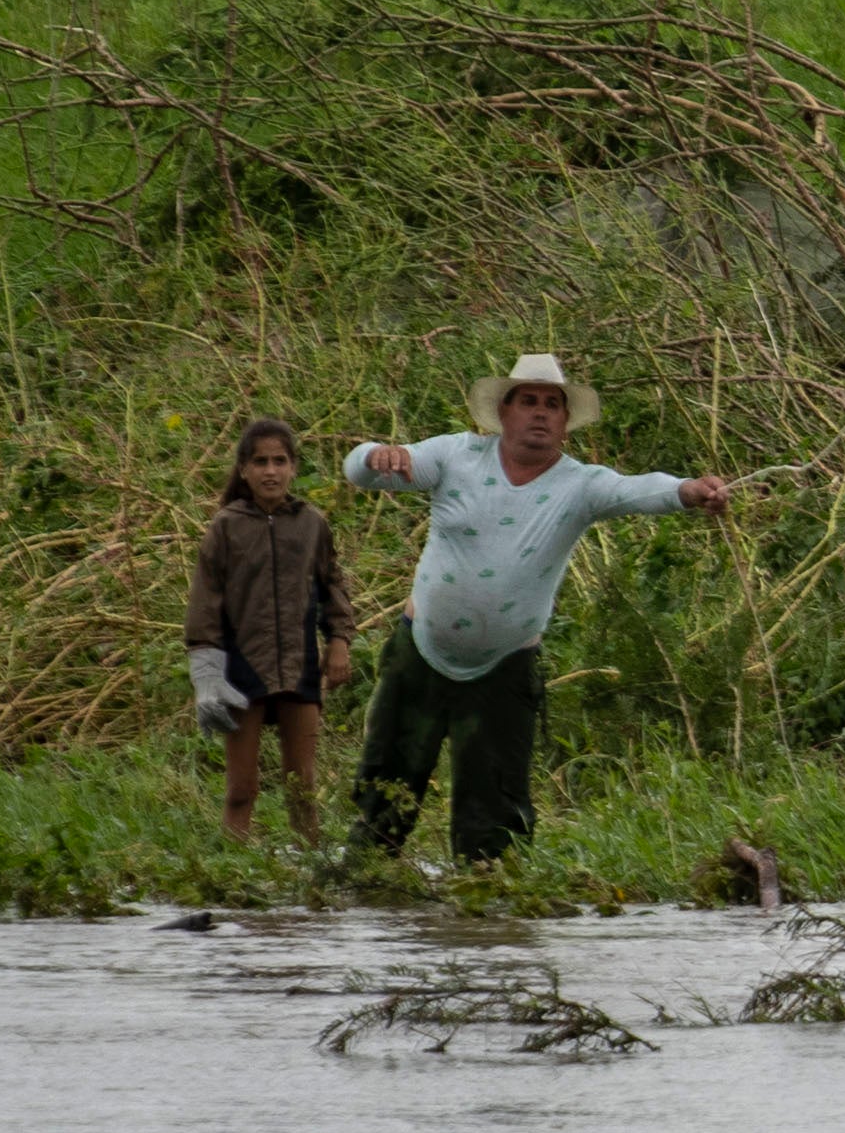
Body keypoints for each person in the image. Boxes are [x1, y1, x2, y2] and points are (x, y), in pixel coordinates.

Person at [342, 353, 730, 867]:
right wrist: (374, 455)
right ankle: (364, 883)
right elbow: (363, 472)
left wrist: (689, 491)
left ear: (565, 422)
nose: (541, 412)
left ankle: (488, 894)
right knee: (386, 788)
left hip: (504, 668)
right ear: (503, 412)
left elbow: (638, 489)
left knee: (494, 809)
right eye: (528, 401)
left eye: (553, 404)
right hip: (420, 653)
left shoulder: (580, 485)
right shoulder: (455, 455)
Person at [184, 417, 358, 845]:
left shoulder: (311, 524)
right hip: (242, 667)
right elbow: (205, 603)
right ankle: (230, 866)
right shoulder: (226, 526)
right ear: (244, 469)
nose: (270, 471)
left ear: (293, 467)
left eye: (280, 461)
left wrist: (339, 641)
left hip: (299, 665)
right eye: (260, 462)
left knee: (302, 789)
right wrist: (206, 675)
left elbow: (332, 583)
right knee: (241, 790)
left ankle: (310, 868)